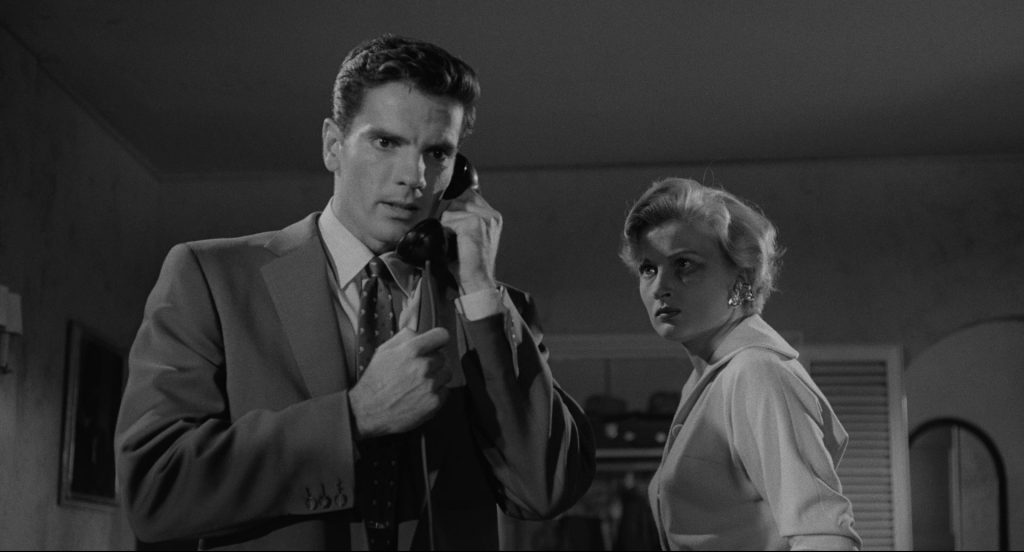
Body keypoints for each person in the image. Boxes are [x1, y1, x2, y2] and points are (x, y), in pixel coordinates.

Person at [115, 34, 595, 550]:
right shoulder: (211, 278)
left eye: (437, 153)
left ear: (460, 173)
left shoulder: (493, 311)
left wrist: (478, 290)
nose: (414, 177)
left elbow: (545, 491)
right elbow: (153, 490)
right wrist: (354, 417)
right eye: (385, 142)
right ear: (332, 145)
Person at [619, 178, 861, 550]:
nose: (660, 286)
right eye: (648, 268)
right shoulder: (709, 379)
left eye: (684, 264)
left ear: (742, 278)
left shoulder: (756, 372)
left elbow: (824, 535)